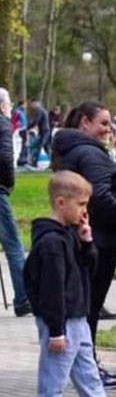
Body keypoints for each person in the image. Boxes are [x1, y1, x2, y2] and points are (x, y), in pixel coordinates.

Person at [52, 102, 116, 389]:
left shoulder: (71, 150)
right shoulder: (90, 154)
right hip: (99, 241)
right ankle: (89, 370)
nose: (108, 129)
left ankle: (82, 368)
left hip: (85, 239)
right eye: (103, 123)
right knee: (89, 310)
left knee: (83, 309)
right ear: (85, 123)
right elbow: (99, 195)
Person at [23, 171, 104, 397]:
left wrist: (87, 242)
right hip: (62, 322)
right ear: (61, 203)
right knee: (53, 383)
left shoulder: (70, 234)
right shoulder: (51, 244)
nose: (85, 211)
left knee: (90, 379)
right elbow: (52, 290)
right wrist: (56, 331)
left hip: (78, 319)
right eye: (81, 204)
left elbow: (88, 271)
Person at [0, 87, 31, 316]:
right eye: (9, 104)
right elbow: (5, 158)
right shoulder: (3, 123)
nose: (10, 108)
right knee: (13, 244)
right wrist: (8, 184)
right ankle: (23, 299)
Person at [31, 100, 52, 166]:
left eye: (33, 104)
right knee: (46, 148)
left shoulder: (39, 111)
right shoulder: (44, 111)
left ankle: (34, 162)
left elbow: (36, 120)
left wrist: (28, 127)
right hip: (46, 130)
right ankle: (52, 162)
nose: (32, 106)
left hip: (44, 131)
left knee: (39, 146)